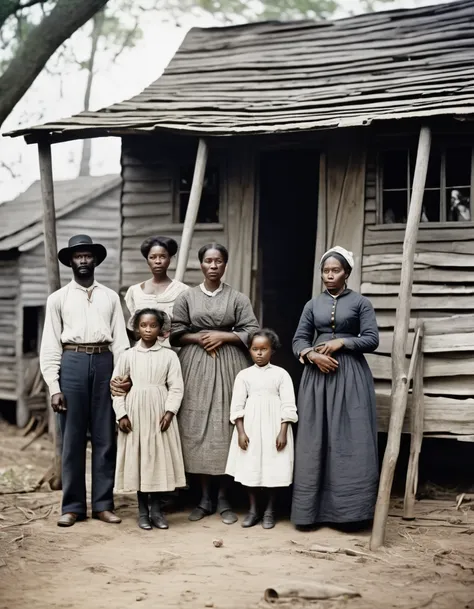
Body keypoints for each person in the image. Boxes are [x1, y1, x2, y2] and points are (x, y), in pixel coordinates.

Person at [40, 235, 129, 527]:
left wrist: (122, 375)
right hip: (73, 362)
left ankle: (103, 504)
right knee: (72, 439)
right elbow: (50, 345)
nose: (82, 261)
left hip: (104, 360)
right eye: (77, 256)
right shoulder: (58, 299)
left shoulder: (110, 296)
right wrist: (54, 386)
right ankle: (73, 506)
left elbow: (121, 341)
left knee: (105, 436)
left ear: (95, 260)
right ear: (70, 261)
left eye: (87, 256)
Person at [170, 243, 259, 525]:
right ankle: (204, 497)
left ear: (224, 265)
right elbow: (175, 332)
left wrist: (224, 337)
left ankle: (224, 497)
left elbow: (252, 330)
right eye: (208, 261)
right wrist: (199, 338)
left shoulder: (237, 298)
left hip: (230, 364)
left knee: (225, 426)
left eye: (218, 261)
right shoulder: (187, 297)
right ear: (201, 264)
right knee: (196, 426)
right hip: (195, 365)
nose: (213, 266)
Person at [291, 246, 379, 529]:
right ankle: (310, 513)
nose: (329, 276)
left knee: (349, 440)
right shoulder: (312, 305)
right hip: (317, 379)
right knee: (315, 439)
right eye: (325, 271)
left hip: (350, 376)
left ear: (347, 273)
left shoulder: (360, 303)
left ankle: (351, 514)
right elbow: (299, 340)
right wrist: (312, 355)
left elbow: (372, 339)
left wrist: (343, 342)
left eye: (335, 271)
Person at [111, 308, 186, 531]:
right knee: (140, 458)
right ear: (136, 328)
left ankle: (157, 511)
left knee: (158, 459)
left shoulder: (169, 356)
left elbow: (176, 387)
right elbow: (116, 387)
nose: (148, 329)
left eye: (153, 325)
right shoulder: (128, 356)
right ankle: (142, 511)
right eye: (143, 325)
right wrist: (121, 414)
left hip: (159, 410)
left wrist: (170, 412)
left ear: (160, 329)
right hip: (135, 412)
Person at [225, 329, 298, 529]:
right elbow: (237, 406)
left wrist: (283, 431)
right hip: (251, 427)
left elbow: (288, 405)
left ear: (272, 351)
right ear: (249, 350)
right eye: (255, 349)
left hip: (274, 426)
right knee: (251, 467)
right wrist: (241, 432)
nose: (259, 353)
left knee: (273, 467)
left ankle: (270, 510)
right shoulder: (244, 375)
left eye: (264, 349)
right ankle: (254, 509)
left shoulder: (281, 374)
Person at [121, 236, 189, 347]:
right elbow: (133, 331)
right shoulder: (135, 291)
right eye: (152, 257)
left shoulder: (183, 291)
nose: (157, 261)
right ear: (147, 260)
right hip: (141, 353)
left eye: (162, 257)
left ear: (170, 258)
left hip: (172, 352)